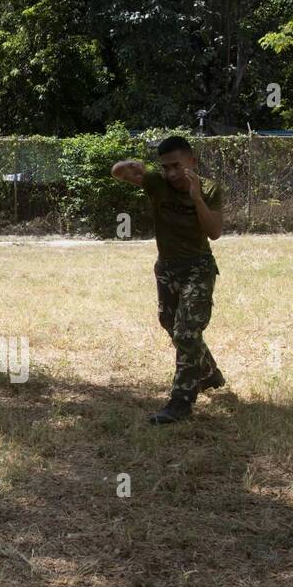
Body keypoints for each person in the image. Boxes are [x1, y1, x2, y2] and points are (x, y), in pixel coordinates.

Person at [111, 136, 226, 424]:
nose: (172, 174)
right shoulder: (157, 182)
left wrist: (196, 196)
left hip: (198, 268)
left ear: (192, 162)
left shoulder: (210, 189)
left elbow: (214, 232)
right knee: (169, 323)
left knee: (187, 331)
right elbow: (117, 172)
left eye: (177, 166)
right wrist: (130, 165)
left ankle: (180, 403)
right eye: (166, 168)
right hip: (166, 268)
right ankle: (209, 373)